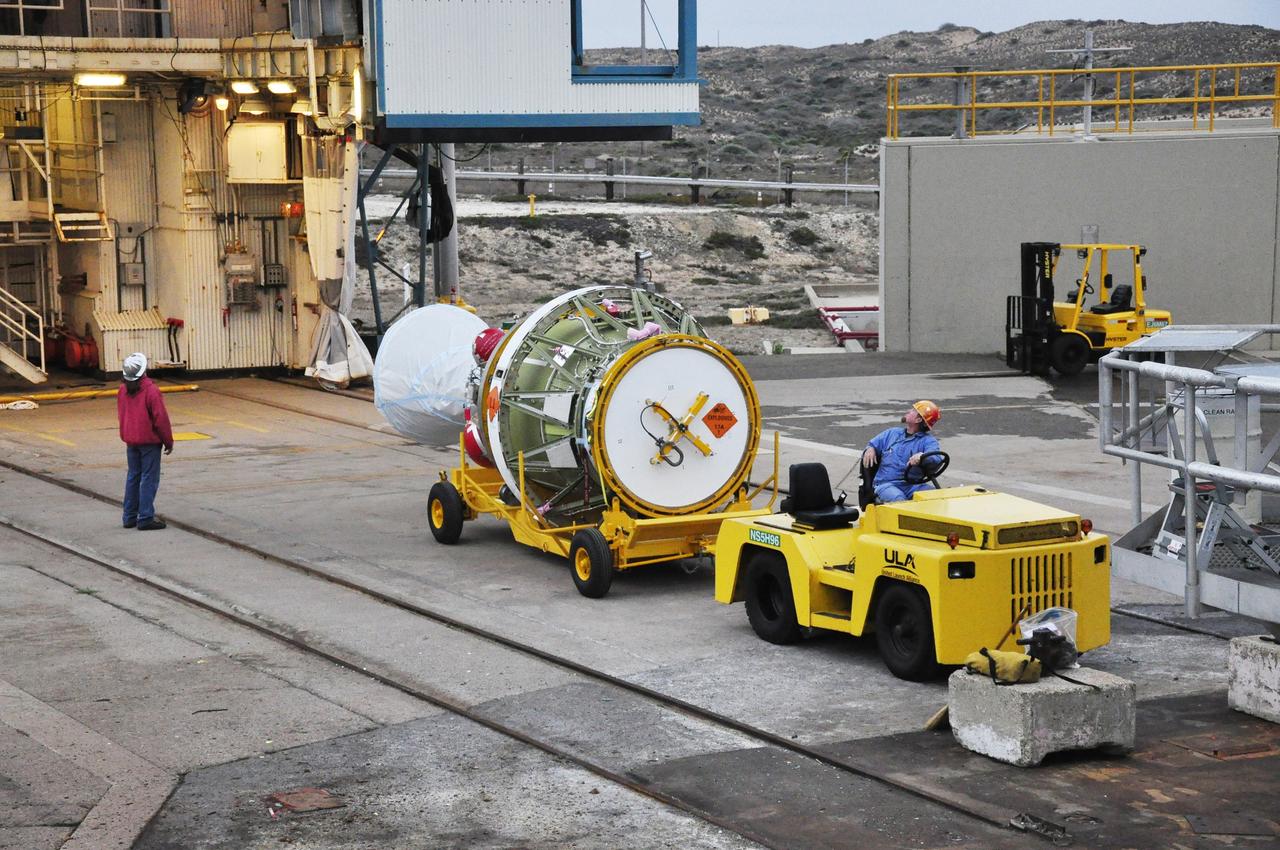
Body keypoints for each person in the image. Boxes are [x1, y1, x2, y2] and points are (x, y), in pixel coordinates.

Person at [117, 353, 173, 530]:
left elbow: (122, 414)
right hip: (149, 442)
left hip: (131, 440)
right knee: (149, 478)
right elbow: (160, 419)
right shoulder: (151, 391)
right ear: (144, 371)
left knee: (133, 476)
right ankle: (146, 517)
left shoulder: (122, 390)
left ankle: (129, 517)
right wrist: (168, 441)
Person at [860, 400, 942, 504]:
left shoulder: (928, 441)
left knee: (936, 497)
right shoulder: (891, 433)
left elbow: (936, 458)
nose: (909, 411)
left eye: (913, 410)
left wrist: (922, 456)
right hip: (886, 484)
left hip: (912, 485)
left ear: (918, 419)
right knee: (899, 500)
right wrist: (870, 448)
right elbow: (872, 444)